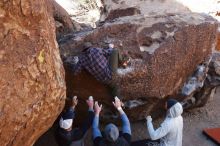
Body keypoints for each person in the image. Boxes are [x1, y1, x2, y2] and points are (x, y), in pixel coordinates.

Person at [66, 42, 130, 97]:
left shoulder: (81, 59)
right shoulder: (95, 50)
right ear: (90, 47)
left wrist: (75, 62)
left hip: (103, 81)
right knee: (115, 51)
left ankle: (119, 104)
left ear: (83, 51)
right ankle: (123, 62)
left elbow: (75, 72)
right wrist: (110, 47)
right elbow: (109, 52)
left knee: (114, 87)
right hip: (110, 73)